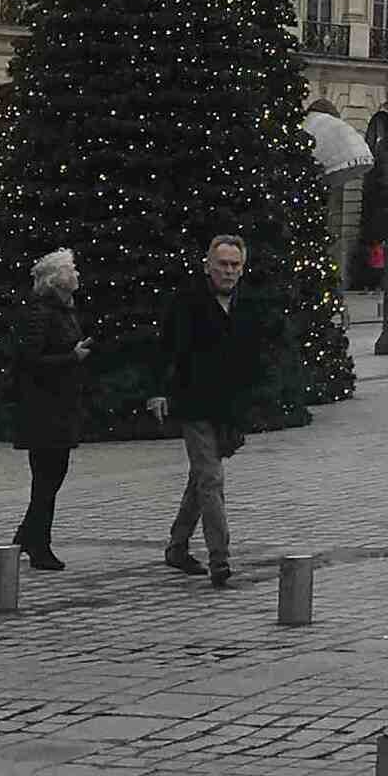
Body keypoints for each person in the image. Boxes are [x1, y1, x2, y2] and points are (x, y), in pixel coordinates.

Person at [151, 233, 264, 587]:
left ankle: (177, 546)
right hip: (194, 403)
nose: (228, 271)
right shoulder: (187, 302)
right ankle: (220, 559)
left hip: (228, 408)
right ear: (207, 266)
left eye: (235, 265)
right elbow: (164, 347)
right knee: (211, 479)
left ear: (242, 269)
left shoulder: (249, 304)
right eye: (222, 264)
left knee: (200, 478)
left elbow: (255, 354)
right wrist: (158, 392)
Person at [9, 247, 91, 571]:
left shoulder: (66, 309)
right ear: (56, 279)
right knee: (46, 481)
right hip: (43, 410)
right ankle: (35, 544)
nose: (76, 274)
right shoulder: (40, 312)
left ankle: (28, 538)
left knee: (51, 479)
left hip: (61, 406)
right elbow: (30, 360)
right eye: (71, 269)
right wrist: (73, 357)